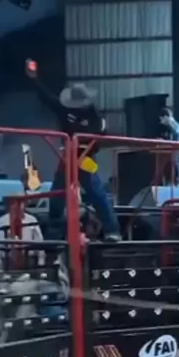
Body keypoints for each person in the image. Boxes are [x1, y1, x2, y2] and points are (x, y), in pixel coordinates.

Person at [25, 60, 121, 241]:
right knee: (57, 193)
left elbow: (100, 136)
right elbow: (46, 98)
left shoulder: (94, 115)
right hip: (67, 157)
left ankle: (112, 230)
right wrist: (34, 79)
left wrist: (84, 144)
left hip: (86, 158)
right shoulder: (64, 109)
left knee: (96, 192)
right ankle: (54, 230)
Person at [0, 201, 45, 267]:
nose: (19, 206)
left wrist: (41, 260)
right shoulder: (2, 221)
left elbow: (39, 240)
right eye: (16, 204)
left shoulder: (32, 220)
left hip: (29, 258)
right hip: (9, 259)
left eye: (21, 203)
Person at [159, 107, 179, 184]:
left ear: (166, 117)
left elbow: (175, 140)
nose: (161, 122)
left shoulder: (175, 127)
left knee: (174, 180)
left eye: (162, 119)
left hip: (174, 157)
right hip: (172, 157)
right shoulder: (172, 128)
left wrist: (164, 142)